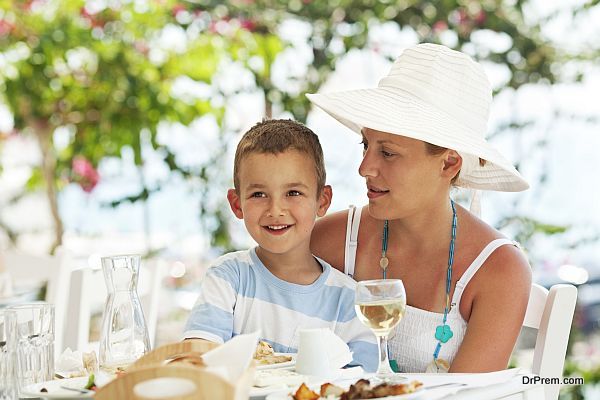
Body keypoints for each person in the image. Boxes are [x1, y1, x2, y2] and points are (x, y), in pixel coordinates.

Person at [306, 43, 532, 373]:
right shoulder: (329, 240)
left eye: (388, 153)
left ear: (449, 163)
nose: (365, 167)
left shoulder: (498, 269)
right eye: (365, 145)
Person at [183, 119, 378, 371]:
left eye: (293, 193)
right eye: (258, 194)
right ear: (236, 204)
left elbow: (363, 383)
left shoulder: (350, 301)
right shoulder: (228, 277)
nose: (275, 210)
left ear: (322, 200)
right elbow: (197, 360)